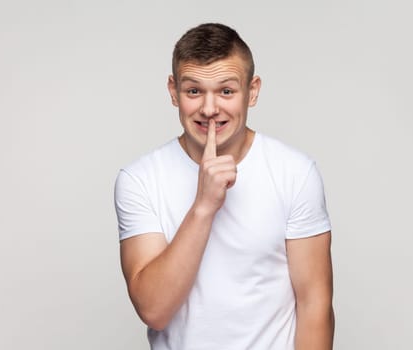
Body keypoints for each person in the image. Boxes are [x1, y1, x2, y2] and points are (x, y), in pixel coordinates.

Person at [114, 23, 334, 350]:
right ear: (173, 92)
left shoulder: (295, 172)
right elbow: (153, 309)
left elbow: (314, 304)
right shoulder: (139, 179)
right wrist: (203, 207)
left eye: (226, 91)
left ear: (253, 91)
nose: (209, 108)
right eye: (194, 91)